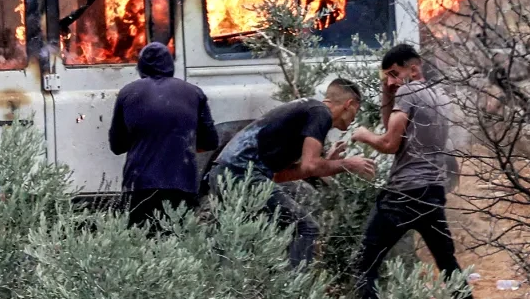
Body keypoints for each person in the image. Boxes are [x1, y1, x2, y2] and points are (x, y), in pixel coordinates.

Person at [350, 43, 476, 299]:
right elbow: (397, 133)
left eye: (395, 73)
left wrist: (363, 134)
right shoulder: (439, 97)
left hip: (402, 196)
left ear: (414, 68)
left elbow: (388, 143)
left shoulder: (409, 92)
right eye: (387, 76)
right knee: (448, 266)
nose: (392, 81)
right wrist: (387, 93)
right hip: (433, 194)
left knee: (365, 264)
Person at [214, 78, 375, 268]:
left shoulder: (306, 115)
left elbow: (280, 176)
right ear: (349, 105)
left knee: (241, 240)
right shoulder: (320, 113)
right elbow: (310, 166)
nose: (354, 118)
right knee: (305, 227)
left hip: (224, 173)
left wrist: (327, 163)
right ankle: (294, 292)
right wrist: (347, 163)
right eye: (356, 111)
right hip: (241, 172)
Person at [108, 41, 219, 227]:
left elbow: (117, 146)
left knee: (141, 244)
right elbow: (210, 142)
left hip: (139, 185)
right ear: (170, 65)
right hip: (182, 183)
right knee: (177, 244)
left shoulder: (127, 93)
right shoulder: (194, 93)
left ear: (140, 66)